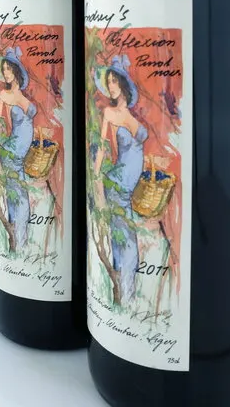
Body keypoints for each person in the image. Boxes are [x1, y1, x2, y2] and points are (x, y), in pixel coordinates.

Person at [94, 55, 147, 304]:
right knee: (123, 237)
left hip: (128, 182)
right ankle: (124, 294)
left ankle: (126, 293)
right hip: (118, 182)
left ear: (124, 85)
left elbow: (141, 137)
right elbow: (103, 147)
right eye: (109, 82)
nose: (111, 86)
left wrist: (127, 117)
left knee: (124, 234)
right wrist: (97, 178)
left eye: (115, 81)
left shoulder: (127, 116)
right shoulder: (110, 113)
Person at [0, 46, 36, 249]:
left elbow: (30, 118)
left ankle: (19, 240)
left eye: (9, 69)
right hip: (12, 151)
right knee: (17, 195)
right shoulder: (5, 95)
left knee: (17, 194)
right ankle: (18, 241)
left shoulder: (21, 98)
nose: (6, 73)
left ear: (17, 71)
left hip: (20, 150)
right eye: (4, 69)